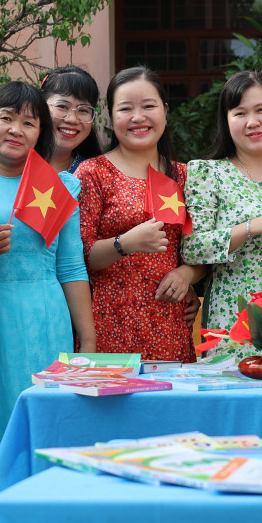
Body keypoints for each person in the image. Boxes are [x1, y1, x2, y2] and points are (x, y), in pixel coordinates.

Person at [0, 81, 94, 495]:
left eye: (29, 122)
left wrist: (88, 339)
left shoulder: (58, 187)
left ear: (41, 134)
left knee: (43, 423)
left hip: (42, 320)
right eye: (7, 118)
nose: (16, 129)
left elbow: (71, 265)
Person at [76, 66, 203, 361]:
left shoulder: (184, 175)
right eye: (125, 109)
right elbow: (79, 257)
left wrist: (187, 274)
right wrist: (124, 243)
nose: (138, 117)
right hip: (109, 324)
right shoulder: (93, 173)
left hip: (169, 324)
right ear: (111, 118)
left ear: (165, 111)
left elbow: (202, 250)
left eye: (148, 106)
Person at [182, 71, 262, 334]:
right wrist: (252, 227)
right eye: (240, 113)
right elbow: (192, 249)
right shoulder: (208, 173)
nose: (252, 122)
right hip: (233, 317)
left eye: (261, 110)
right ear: (226, 121)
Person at [41, 64, 104, 174]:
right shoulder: (15, 164)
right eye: (62, 106)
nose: (72, 119)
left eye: (83, 110)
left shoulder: (97, 176)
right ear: (41, 106)